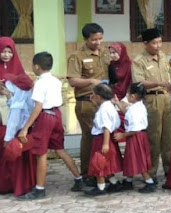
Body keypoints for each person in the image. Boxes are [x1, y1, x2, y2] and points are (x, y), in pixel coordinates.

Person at [17, 52, 82, 200]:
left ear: (36, 66)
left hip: (45, 116)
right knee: (60, 150)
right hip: (57, 114)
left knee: (41, 153)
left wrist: (26, 127)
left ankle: (39, 189)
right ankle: (78, 179)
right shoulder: (55, 81)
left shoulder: (40, 83)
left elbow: (38, 106)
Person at [67, 23, 109, 183]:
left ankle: (104, 170)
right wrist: (91, 81)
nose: (98, 42)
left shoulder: (106, 53)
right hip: (86, 102)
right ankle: (88, 172)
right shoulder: (77, 56)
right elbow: (72, 80)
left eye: (100, 39)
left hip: (104, 103)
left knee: (104, 137)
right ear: (86, 39)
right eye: (94, 40)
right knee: (91, 137)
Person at [132, 28, 171, 182]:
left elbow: (169, 75)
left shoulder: (163, 56)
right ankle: (151, 172)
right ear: (145, 43)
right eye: (154, 43)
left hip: (166, 99)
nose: (158, 46)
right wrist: (158, 83)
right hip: (152, 100)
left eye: (160, 42)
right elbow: (139, 82)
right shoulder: (139, 60)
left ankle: (170, 169)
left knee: (168, 137)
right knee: (153, 137)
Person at [0, 37, 36, 196]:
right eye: (3, 51)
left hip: (13, 119)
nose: (6, 55)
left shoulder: (19, 71)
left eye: (9, 51)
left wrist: (8, 92)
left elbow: (23, 96)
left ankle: (13, 183)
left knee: (11, 147)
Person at [113, 83, 155, 193]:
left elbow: (135, 129)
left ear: (132, 97)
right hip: (137, 136)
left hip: (136, 137)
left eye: (127, 94)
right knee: (130, 158)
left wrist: (122, 135)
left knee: (138, 159)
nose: (126, 95)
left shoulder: (134, 110)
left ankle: (149, 181)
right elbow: (127, 114)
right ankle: (128, 180)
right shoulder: (138, 106)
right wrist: (118, 103)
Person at [85, 83, 123, 196]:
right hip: (108, 138)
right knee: (107, 164)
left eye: (94, 95)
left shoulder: (103, 109)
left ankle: (100, 188)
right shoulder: (109, 106)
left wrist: (105, 144)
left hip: (102, 139)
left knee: (99, 163)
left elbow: (106, 126)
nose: (92, 97)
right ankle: (114, 183)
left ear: (99, 97)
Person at [108, 42, 132, 137]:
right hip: (113, 98)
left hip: (127, 99)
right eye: (111, 53)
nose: (112, 55)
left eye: (115, 52)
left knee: (126, 124)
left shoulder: (129, 65)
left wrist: (126, 99)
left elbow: (132, 82)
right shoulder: (111, 65)